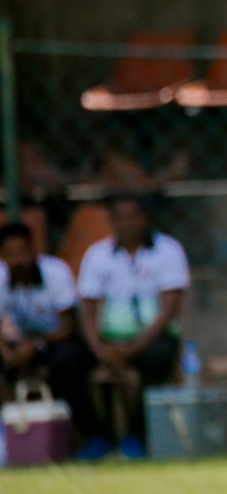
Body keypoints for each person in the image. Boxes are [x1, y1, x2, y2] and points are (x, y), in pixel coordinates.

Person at [75, 194, 190, 459]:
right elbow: (88, 309)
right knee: (66, 361)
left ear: (146, 218)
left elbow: (169, 309)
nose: (127, 223)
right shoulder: (97, 255)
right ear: (111, 221)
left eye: (133, 216)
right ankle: (97, 436)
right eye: (120, 218)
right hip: (108, 339)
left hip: (151, 338)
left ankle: (136, 436)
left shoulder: (168, 250)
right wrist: (98, 348)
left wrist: (133, 348)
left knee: (159, 358)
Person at [0, 223, 96, 443]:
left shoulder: (56, 271)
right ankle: (8, 437)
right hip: (21, 344)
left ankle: (86, 436)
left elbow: (68, 326)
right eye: (11, 254)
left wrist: (36, 345)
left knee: (67, 362)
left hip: (56, 342)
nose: (19, 260)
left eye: (23, 251)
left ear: (34, 249)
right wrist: (6, 353)